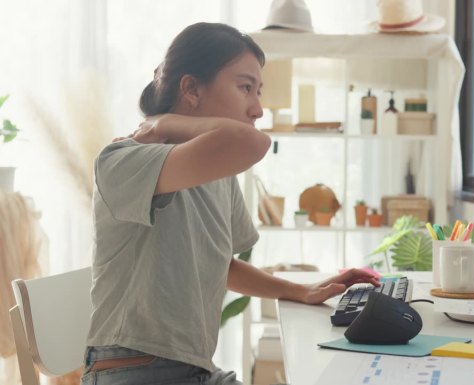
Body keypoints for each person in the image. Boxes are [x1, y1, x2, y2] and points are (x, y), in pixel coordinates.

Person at [80, 22, 379, 385]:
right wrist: (165, 123)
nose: (257, 109)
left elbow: (220, 265)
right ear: (191, 88)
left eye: (258, 91)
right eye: (245, 88)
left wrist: (300, 290)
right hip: (136, 371)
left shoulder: (216, 172)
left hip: (194, 371)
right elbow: (253, 143)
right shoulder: (125, 159)